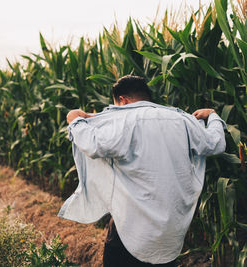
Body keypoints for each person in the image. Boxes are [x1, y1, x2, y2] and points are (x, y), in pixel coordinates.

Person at [59, 75, 226, 266]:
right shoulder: (182, 120)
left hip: (130, 228)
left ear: (123, 101)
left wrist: (75, 120)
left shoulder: (123, 120)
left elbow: (94, 145)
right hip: (169, 233)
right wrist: (212, 115)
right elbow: (216, 143)